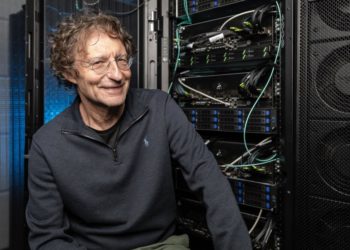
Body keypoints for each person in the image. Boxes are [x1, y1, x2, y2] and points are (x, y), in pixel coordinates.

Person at [26, 12, 252, 250]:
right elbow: (47, 239)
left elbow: (211, 183)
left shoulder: (159, 108)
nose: (117, 74)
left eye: (122, 60)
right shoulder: (47, 144)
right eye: (98, 63)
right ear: (70, 73)